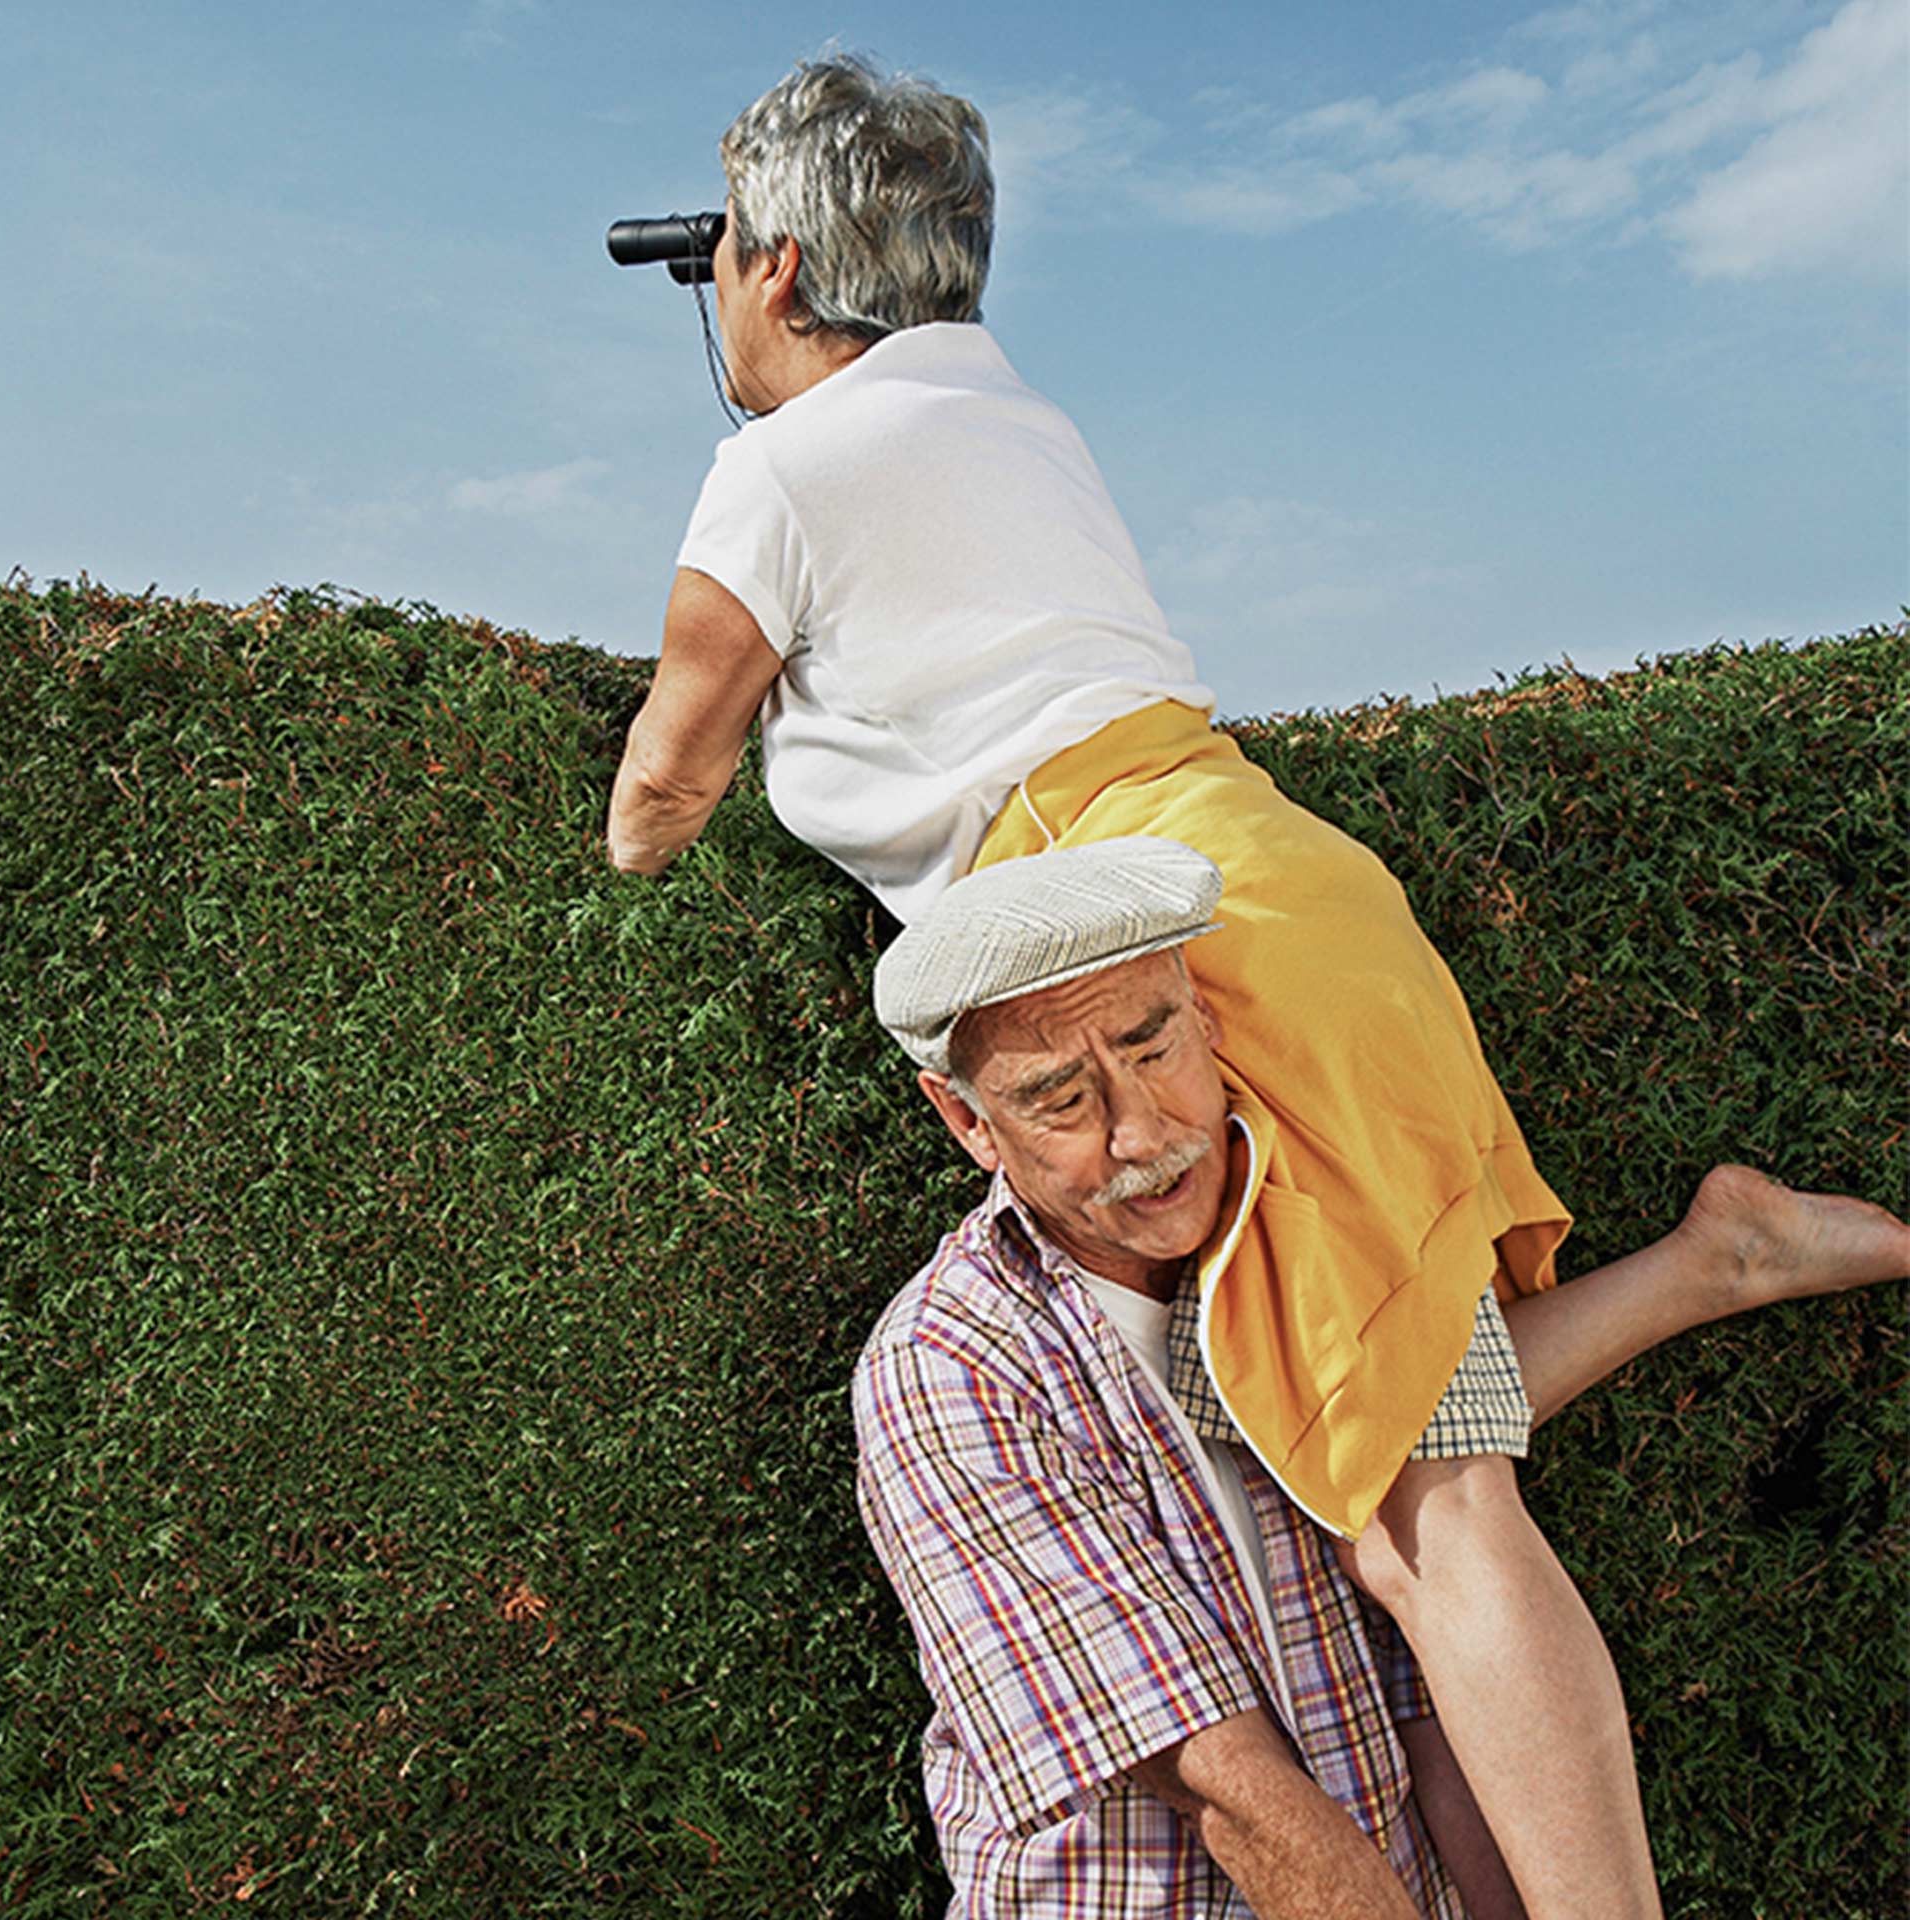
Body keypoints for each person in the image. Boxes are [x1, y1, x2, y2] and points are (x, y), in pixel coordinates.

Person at [602, 53, 1904, 1912]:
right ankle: (1724, 1255)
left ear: (786, 265)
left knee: (1435, 1515)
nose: (716, 280)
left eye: (726, 250)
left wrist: (634, 859)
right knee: (1345, 1421)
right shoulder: (1016, 417)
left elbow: (665, 782)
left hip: (1165, 930)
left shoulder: (779, 471)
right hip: (1278, 893)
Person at [857, 836, 1909, 1918]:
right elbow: (1223, 1787)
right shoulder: (949, 1370)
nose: (1141, 1132)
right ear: (970, 1122)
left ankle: (1717, 1260)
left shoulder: (1302, 1224)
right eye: (1061, 1100)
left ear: (1207, 1021)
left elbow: (1430, 1669)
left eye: (1151, 1048)